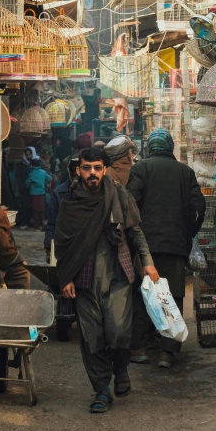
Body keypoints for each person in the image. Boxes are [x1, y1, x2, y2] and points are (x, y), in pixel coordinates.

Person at [55, 147, 158, 413]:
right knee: (92, 338)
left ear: (104, 169)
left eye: (97, 168)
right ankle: (101, 390)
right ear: (79, 170)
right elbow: (63, 243)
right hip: (84, 280)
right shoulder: (70, 202)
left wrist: (147, 262)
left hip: (118, 276)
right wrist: (65, 277)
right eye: (87, 168)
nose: (92, 173)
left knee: (119, 331)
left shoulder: (117, 194)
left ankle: (121, 369)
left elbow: (135, 232)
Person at [126, 128, 206, 368]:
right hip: (175, 245)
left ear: (150, 147)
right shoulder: (185, 172)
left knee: (144, 294)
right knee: (172, 296)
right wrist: (188, 232)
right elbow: (199, 208)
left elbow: (130, 201)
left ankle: (139, 348)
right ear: (170, 147)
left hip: (145, 246)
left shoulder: (140, 168)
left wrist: (132, 233)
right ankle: (167, 352)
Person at [44, 156, 80, 262]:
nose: (76, 176)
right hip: (64, 245)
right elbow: (52, 222)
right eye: (73, 172)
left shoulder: (95, 191)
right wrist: (49, 246)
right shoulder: (59, 192)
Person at [0, 206, 31, 289]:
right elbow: (4, 247)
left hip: (5, 256)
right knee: (23, 274)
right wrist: (18, 260)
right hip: (1, 257)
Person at [16, 147, 39, 229]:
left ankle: (35, 223)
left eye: (30, 154)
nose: (28, 156)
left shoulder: (38, 161)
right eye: (27, 155)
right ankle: (26, 222)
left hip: (36, 189)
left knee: (36, 206)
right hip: (25, 188)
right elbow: (19, 177)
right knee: (26, 205)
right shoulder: (22, 165)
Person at [24, 159, 51, 230]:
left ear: (32, 165)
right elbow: (50, 179)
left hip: (33, 194)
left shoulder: (31, 174)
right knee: (41, 208)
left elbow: (27, 184)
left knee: (35, 209)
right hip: (41, 193)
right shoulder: (43, 172)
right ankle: (43, 222)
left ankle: (36, 224)